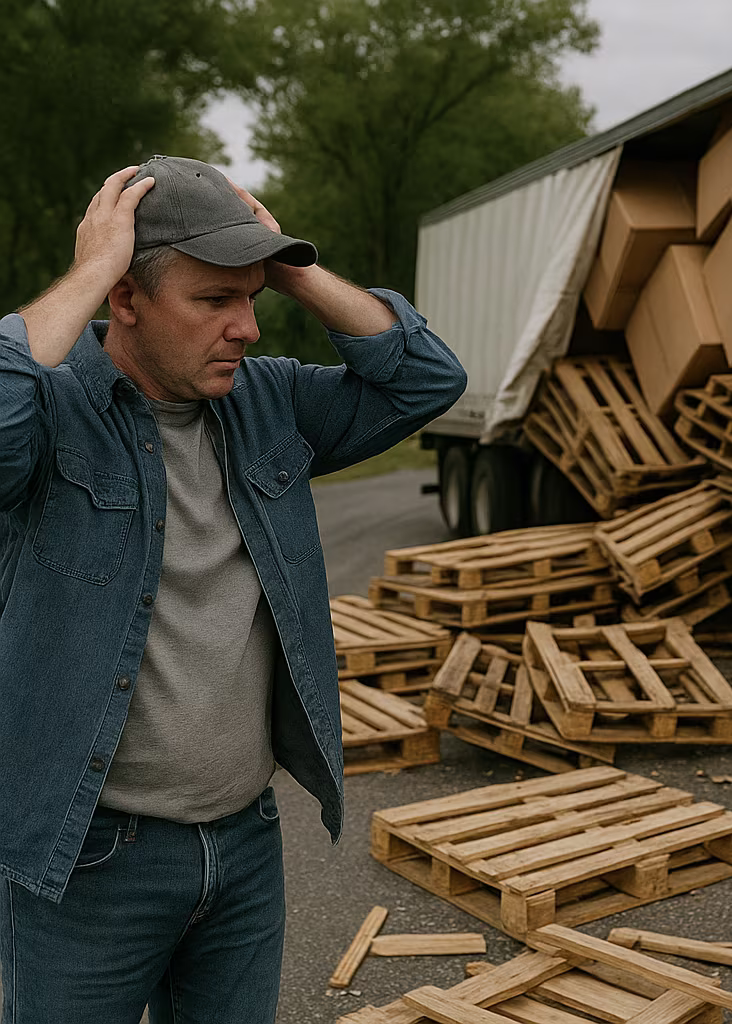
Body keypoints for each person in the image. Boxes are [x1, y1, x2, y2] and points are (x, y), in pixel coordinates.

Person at [0, 158, 467, 1023]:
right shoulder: (53, 413)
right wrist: (93, 268)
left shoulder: (270, 401)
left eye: (253, 299)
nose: (246, 327)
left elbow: (427, 377)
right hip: (88, 863)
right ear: (127, 299)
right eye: (215, 299)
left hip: (246, 847)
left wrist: (287, 266)